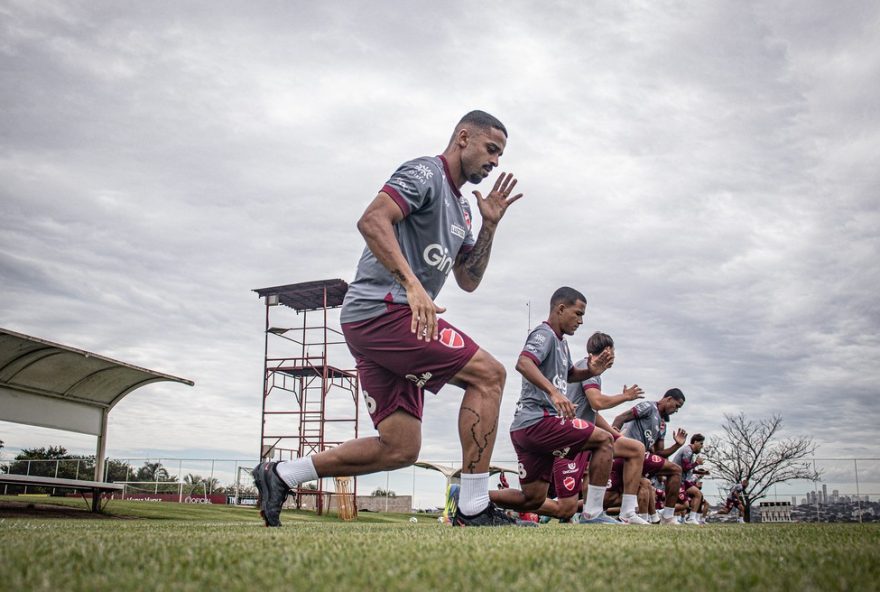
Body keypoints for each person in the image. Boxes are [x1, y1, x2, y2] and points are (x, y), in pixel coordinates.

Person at [253, 110, 524, 527]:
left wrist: (489, 226)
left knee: (400, 448)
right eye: (491, 149)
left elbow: (468, 279)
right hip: (384, 311)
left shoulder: (463, 211)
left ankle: (282, 474)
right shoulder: (425, 173)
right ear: (463, 138)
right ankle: (472, 506)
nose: (495, 162)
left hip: (379, 322)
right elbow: (372, 219)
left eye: (500, 155)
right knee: (489, 375)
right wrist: (412, 285)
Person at [490, 287, 618, 524]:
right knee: (604, 440)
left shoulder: (561, 343)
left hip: (525, 427)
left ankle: (469, 498)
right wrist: (554, 392)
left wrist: (591, 371)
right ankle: (593, 514)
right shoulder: (545, 333)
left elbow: (569, 374)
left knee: (533, 499)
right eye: (578, 313)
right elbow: (524, 363)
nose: (580, 321)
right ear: (561, 309)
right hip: (539, 420)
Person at [545, 331, 649, 524]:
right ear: (606, 351)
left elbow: (591, 411)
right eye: (613, 352)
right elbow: (597, 401)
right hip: (570, 438)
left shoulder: (587, 369)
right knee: (564, 508)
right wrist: (625, 396)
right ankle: (488, 501)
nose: (614, 357)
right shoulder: (587, 368)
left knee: (635, 449)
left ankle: (626, 512)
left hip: (585, 435)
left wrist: (611, 431)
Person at [612, 388, 687, 525]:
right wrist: (615, 439)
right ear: (668, 399)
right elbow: (620, 418)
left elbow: (659, 454)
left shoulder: (663, 424)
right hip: (627, 453)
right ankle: (665, 516)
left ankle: (634, 515)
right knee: (676, 470)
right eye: (676, 406)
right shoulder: (649, 407)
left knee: (611, 498)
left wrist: (677, 445)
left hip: (640, 458)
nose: (676, 410)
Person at [671, 433, 706, 525]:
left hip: (683, 479)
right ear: (695, 442)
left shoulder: (690, 451)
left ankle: (691, 518)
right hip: (676, 478)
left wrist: (699, 472)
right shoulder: (688, 451)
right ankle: (661, 512)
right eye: (701, 444)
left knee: (698, 494)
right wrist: (697, 463)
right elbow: (686, 467)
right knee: (684, 504)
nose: (702, 446)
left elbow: (687, 469)